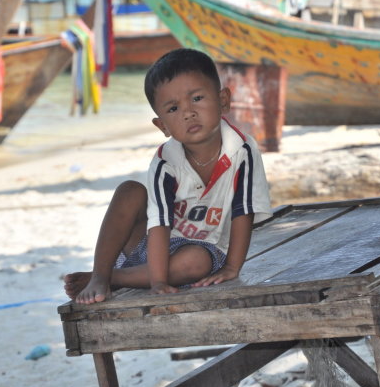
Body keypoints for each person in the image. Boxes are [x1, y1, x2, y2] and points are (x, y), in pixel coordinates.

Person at [64, 48, 273, 304]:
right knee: (129, 190)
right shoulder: (165, 160)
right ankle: (100, 274)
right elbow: (159, 223)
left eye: (197, 98)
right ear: (162, 126)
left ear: (223, 101)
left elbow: (243, 211)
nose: (188, 112)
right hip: (151, 246)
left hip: (202, 249)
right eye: (173, 108)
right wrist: (158, 282)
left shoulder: (242, 150)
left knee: (195, 262)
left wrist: (232, 267)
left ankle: (114, 277)